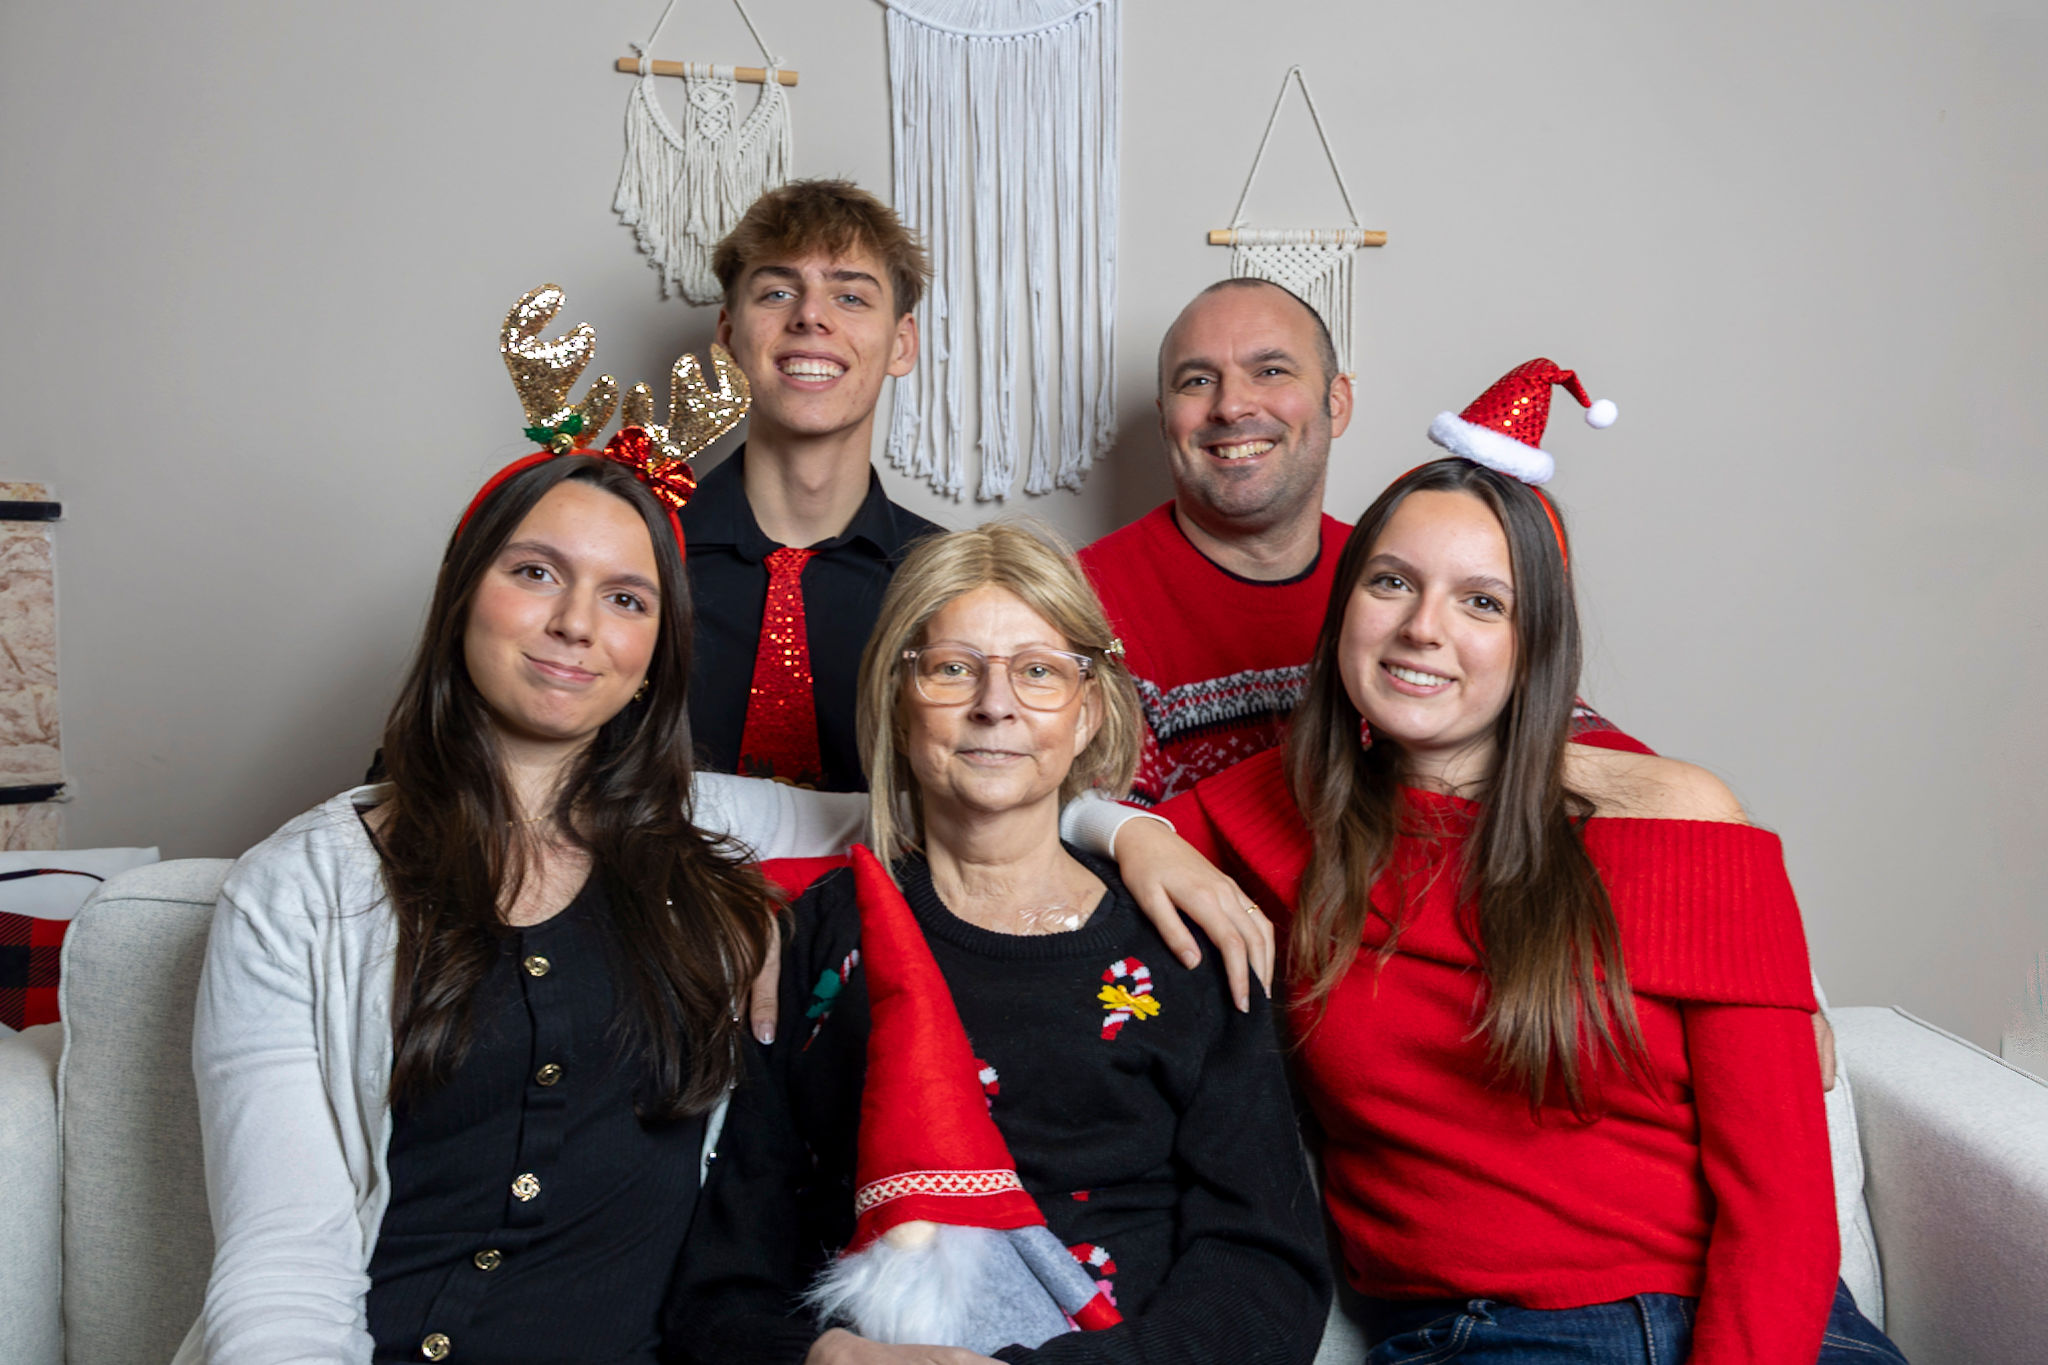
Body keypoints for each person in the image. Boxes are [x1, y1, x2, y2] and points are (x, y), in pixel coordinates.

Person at [1151, 363, 1905, 1364]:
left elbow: (1781, 1203)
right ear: (1345, 609)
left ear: (1534, 644)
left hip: (1772, 1331)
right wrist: (1120, 831)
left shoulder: (1679, 817)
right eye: (1391, 582)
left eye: (1482, 602)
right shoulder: (1271, 816)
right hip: (1491, 1336)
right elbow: (1029, 845)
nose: (1423, 628)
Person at [178, 330, 875, 1363]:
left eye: (626, 598)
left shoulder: (706, 834)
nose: (575, 624)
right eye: (537, 573)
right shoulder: (297, 890)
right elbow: (283, 1263)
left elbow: (939, 812)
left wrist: (1111, 826)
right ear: (463, 595)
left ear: (654, 655)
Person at [671, 523, 1330, 1365]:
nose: (995, 703)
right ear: (898, 700)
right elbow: (723, 1291)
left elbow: (1268, 1274)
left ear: (1089, 711)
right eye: (952, 668)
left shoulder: (1185, 944)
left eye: (1039, 671)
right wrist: (827, 1358)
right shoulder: (815, 940)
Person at [1078, 278, 1640, 808]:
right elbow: (1092, 823)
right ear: (1165, 419)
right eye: (1197, 381)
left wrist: (1658, 790)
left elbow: (1558, 725)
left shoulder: (1406, 573)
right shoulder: (1078, 601)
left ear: (1337, 403)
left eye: (1271, 371)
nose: (1231, 406)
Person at [685, 179, 942, 792]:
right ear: (728, 337)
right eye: (777, 292)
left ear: (901, 345)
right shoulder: (634, 553)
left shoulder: (948, 584)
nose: (810, 316)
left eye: (850, 297)